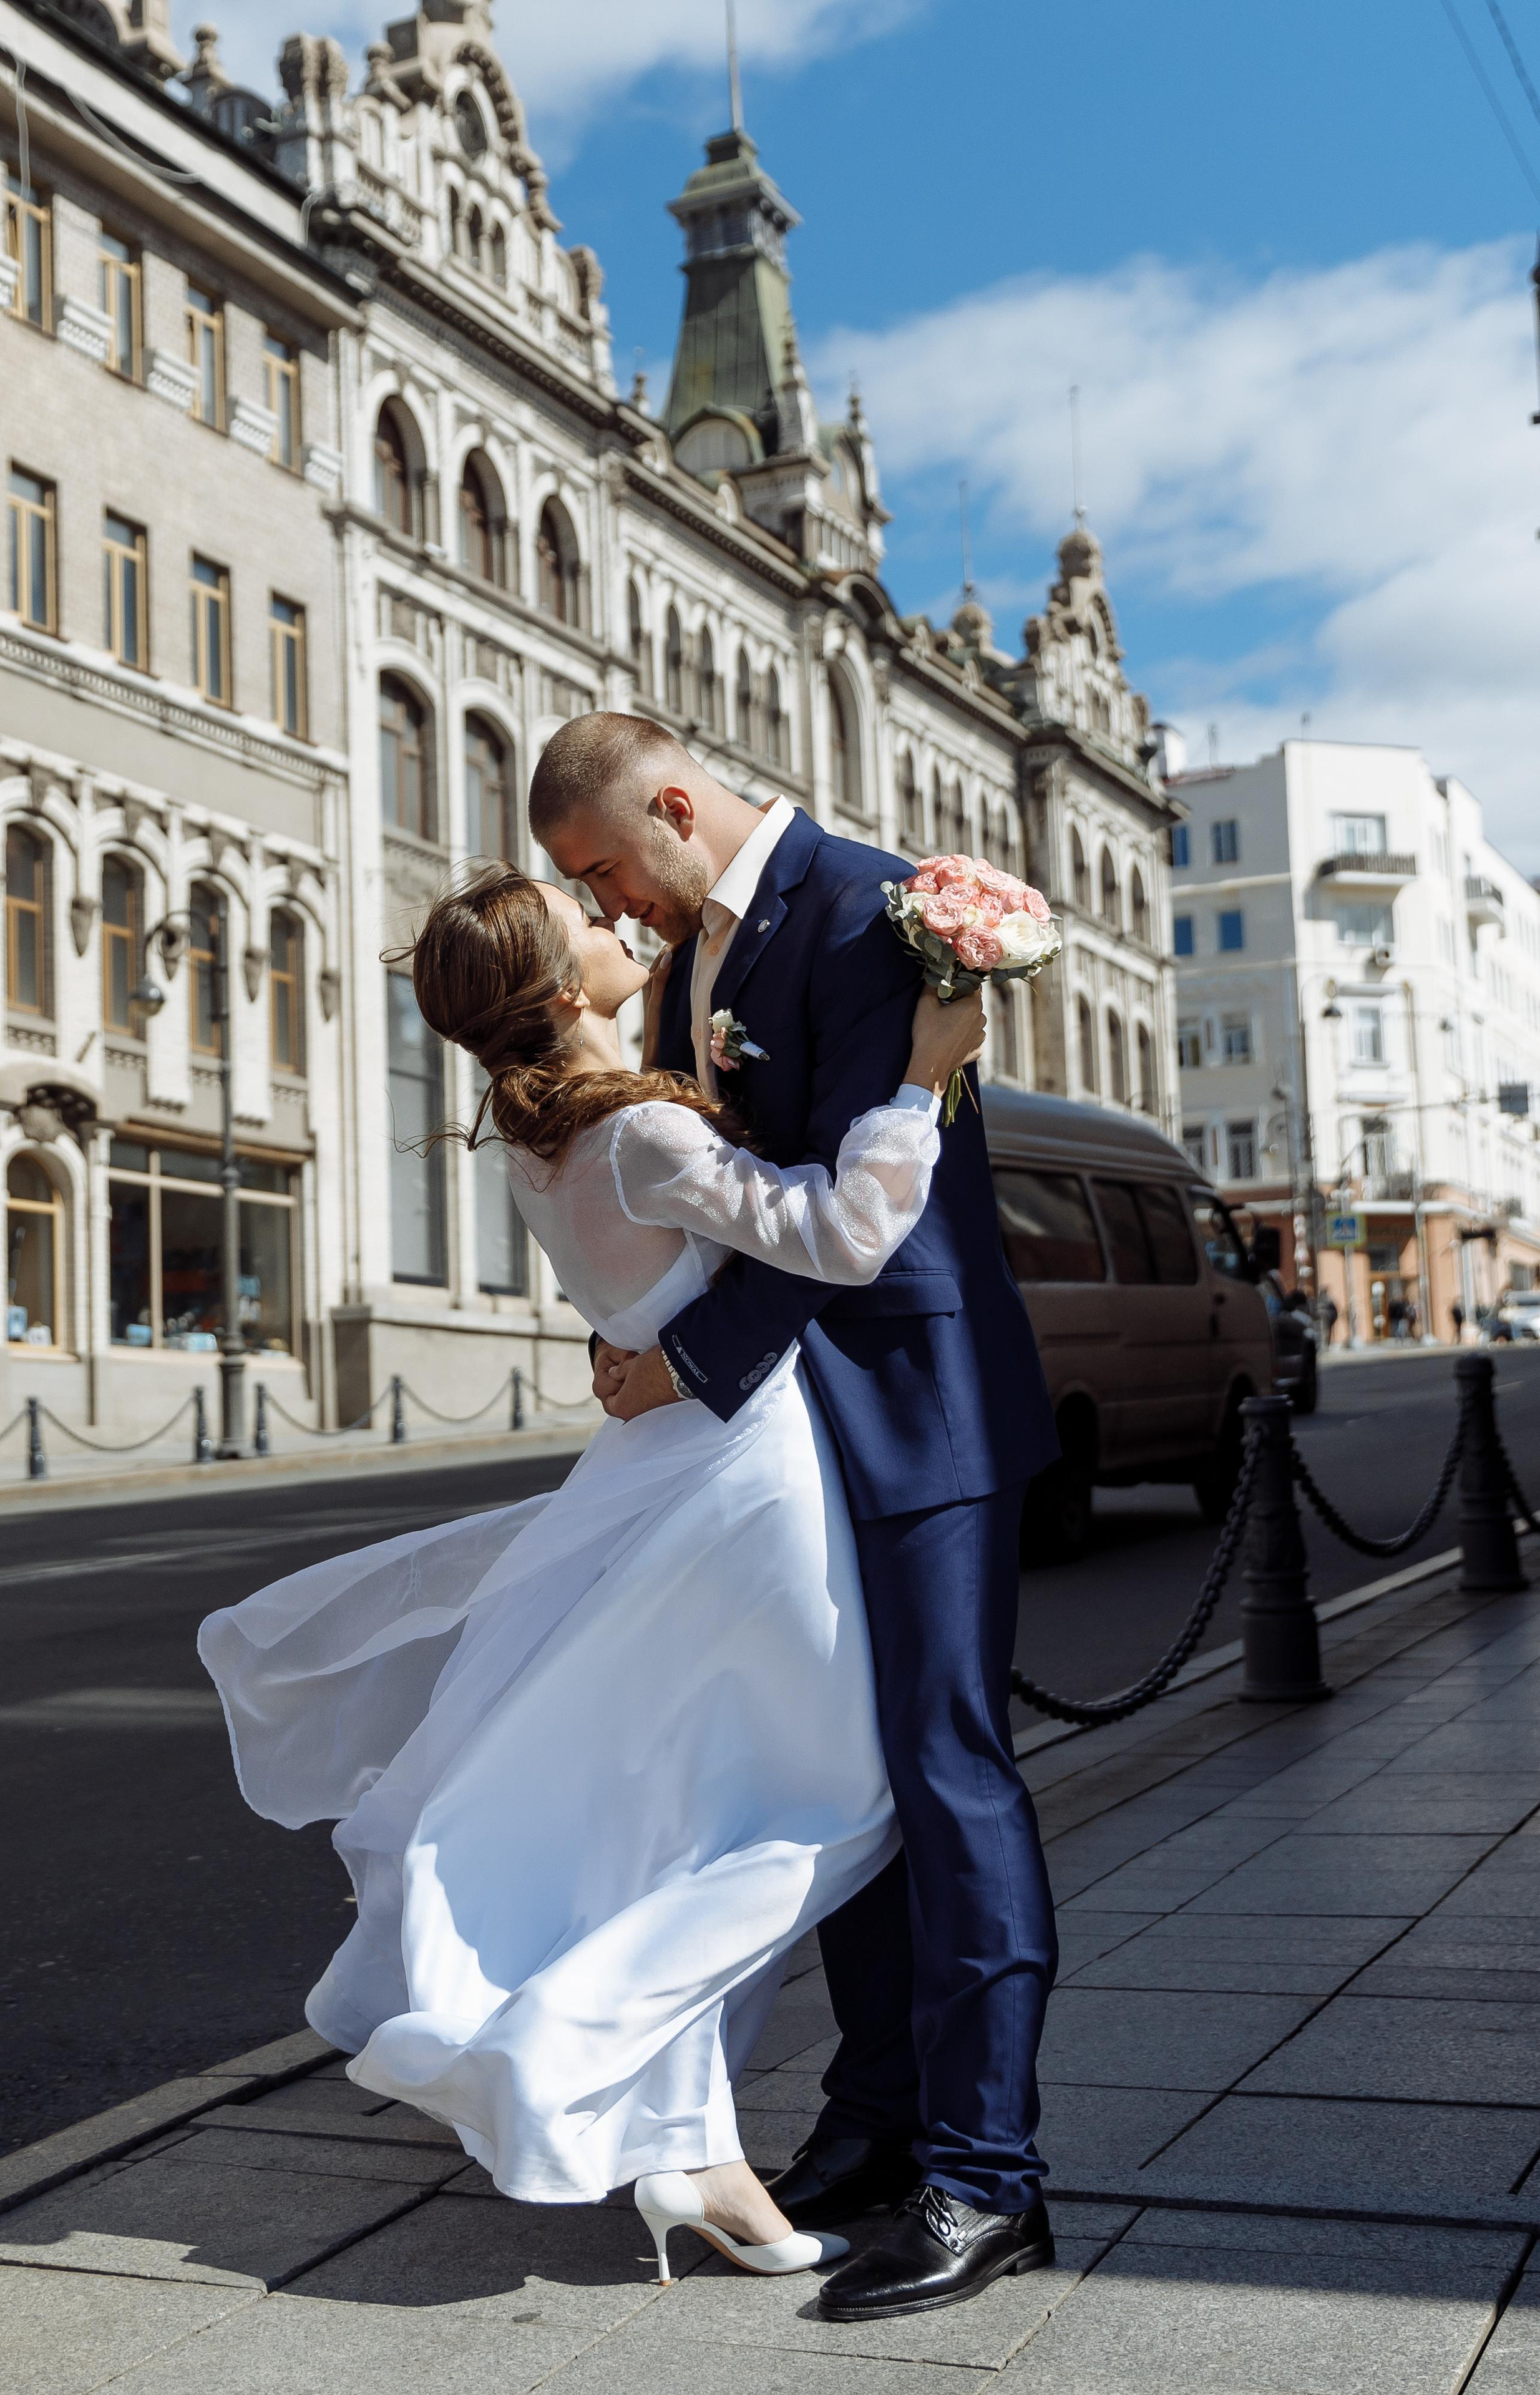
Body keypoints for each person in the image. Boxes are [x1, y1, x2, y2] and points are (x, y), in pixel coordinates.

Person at [200, 860, 989, 2284]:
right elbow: (840, 1236)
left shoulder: (544, 1138)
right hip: (742, 1480)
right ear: (563, 991)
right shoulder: (634, 1131)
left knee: (687, 1817)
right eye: (589, 926)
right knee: (824, 1804)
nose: (619, 926)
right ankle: (576, 2061)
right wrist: (921, 1082)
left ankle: (701, 2156)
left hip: (659, 1474)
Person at [533, 713, 1061, 2324]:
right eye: (582, 891)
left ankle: (988, 2174)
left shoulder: (875, 905)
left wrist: (682, 1357)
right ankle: (880, 2118)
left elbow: (852, 1214)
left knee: (949, 1773)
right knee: (858, 1780)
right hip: (807, 1436)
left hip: (923, 1411)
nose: (611, 910)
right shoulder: (712, 938)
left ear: (676, 808)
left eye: (607, 868)